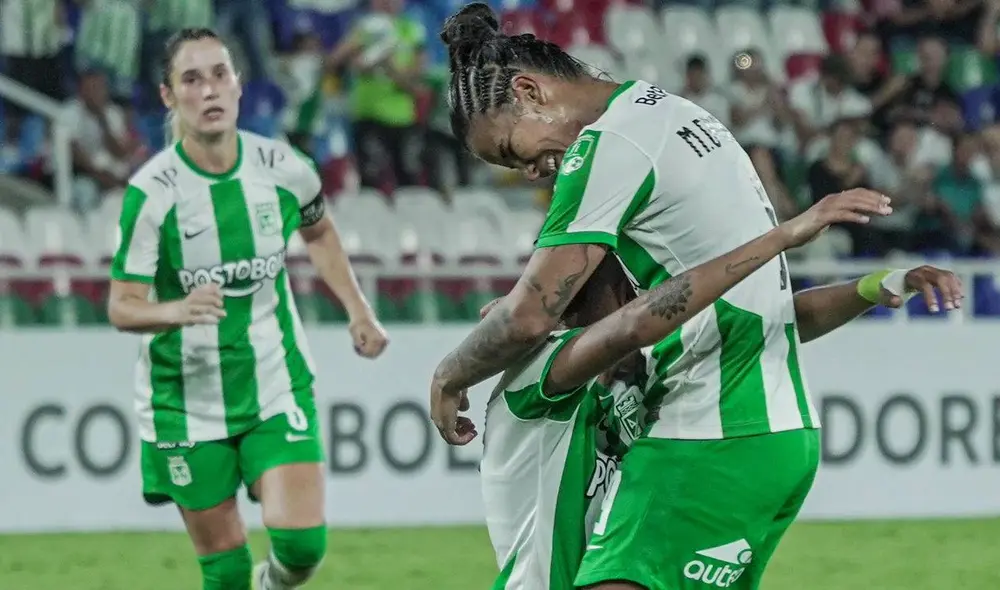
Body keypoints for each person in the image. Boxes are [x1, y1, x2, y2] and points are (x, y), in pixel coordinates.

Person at [427, 5, 962, 590]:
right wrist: (875, 285)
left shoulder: (609, 146)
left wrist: (450, 376)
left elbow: (532, 314)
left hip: (710, 433)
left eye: (511, 150)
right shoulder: (674, 115)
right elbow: (762, 313)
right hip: (770, 436)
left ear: (529, 92)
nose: (529, 172)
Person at [478, 188, 913, 590]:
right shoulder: (537, 367)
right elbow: (628, 325)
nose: (641, 297)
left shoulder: (635, 374)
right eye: (630, 287)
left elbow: (769, 324)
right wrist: (782, 237)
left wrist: (874, 287)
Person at [106, 28, 389, 590]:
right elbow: (122, 306)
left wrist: (358, 310)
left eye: (219, 74)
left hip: (273, 381)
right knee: (226, 569)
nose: (209, 90)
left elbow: (320, 231)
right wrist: (176, 311)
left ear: (238, 85)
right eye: (192, 79)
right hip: (184, 400)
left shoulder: (284, 168)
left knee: (302, 546)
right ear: (169, 96)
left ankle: (272, 584)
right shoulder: (152, 194)